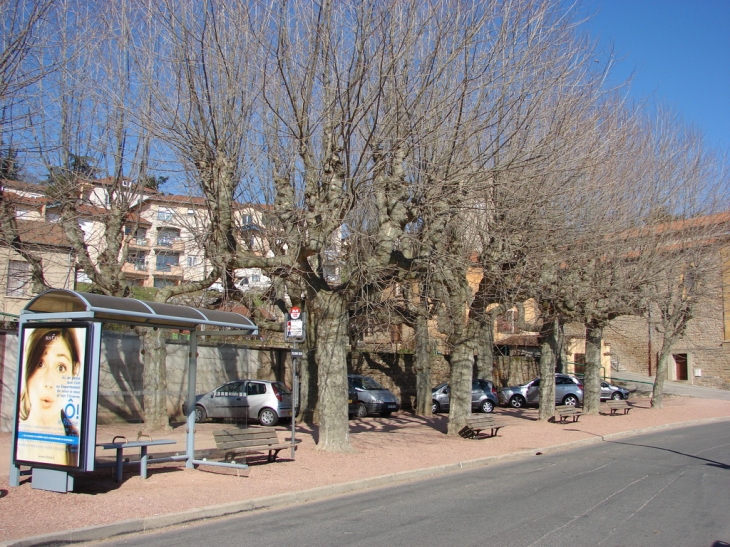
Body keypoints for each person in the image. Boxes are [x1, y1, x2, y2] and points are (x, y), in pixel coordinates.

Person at [16, 327, 82, 466]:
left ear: (74, 370)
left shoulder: (76, 442)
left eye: (60, 368)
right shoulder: (19, 442)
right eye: (40, 364)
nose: (48, 382)